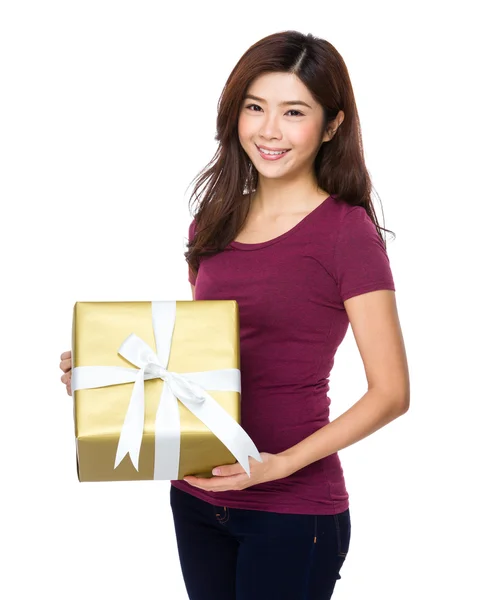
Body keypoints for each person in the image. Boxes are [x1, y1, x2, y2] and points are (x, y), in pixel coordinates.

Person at [60, 30, 410, 600]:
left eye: (293, 111)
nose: (269, 130)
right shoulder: (214, 220)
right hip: (196, 498)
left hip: (293, 510)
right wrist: (111, 372)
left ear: (332, 124)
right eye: (255, 107)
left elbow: (392, 392)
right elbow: (203, 359)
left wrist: (278, 466)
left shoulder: (347, 233)